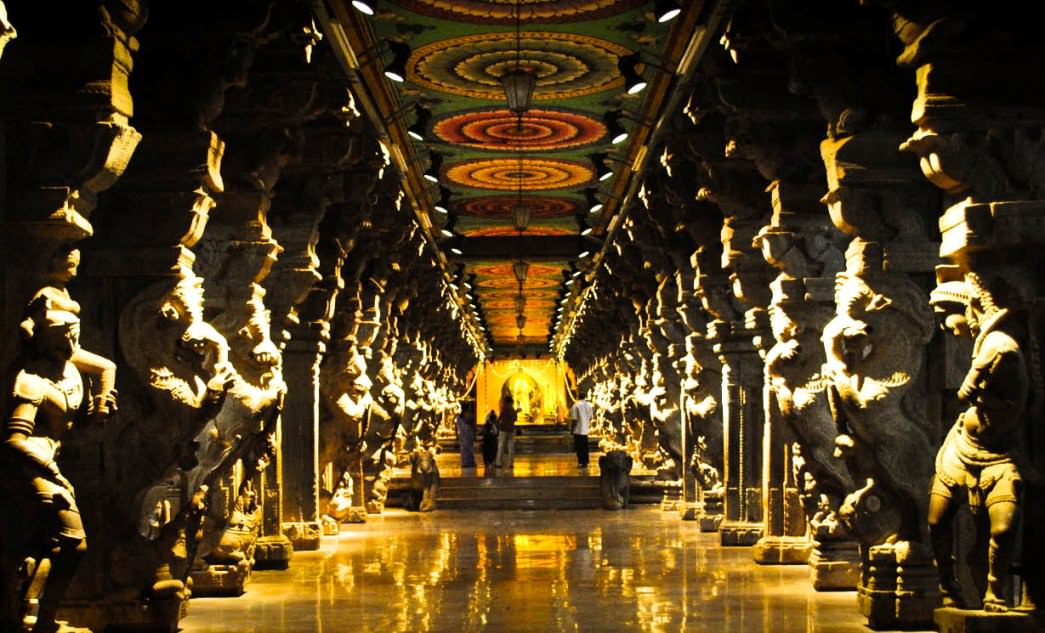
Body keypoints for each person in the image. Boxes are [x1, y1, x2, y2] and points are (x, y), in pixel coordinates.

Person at [2, 297, 111, 633]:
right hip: (32, 466)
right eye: (64, 339)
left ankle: (31, 611)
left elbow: (106, 368)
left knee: (41, 543)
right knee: (74, 542)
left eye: (75, 338)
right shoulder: (31, 382)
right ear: (46, 340)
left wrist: (100, 408)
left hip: (52, 460)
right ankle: (43, 617)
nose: (72, 346)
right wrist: (53, 473)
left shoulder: (71, 373)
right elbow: (14, 440)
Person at [927, 275, 1029, 611]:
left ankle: (994, 591)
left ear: (971, 306)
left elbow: (991, 372)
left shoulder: (1000, 345)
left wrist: (973, 386)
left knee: (1002, 528)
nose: (947, 328)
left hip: (999, 456)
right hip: (960, 447)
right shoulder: (986, 343)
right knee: (936, 521)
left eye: (948, 317)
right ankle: (947, 584)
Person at [569, 393, 594, 469]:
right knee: (585, 447)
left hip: (578, 429)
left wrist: (572, 429)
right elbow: (590, 417)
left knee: (579, 447)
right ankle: (585, 462)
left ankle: (581, 462)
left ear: (577, 397)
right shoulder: (589, 405)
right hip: (585, 429)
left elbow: (574, 419)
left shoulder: (576, 405)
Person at [493, 395, 517, 471]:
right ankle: (510, 463)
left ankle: (498, 462)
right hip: (511, 429)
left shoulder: (504, 409)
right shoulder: (513, 410)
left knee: (501, 446)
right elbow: (515, 419)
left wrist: (496, 422)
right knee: (511, 447)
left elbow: (500, 418)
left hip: (503, 429)